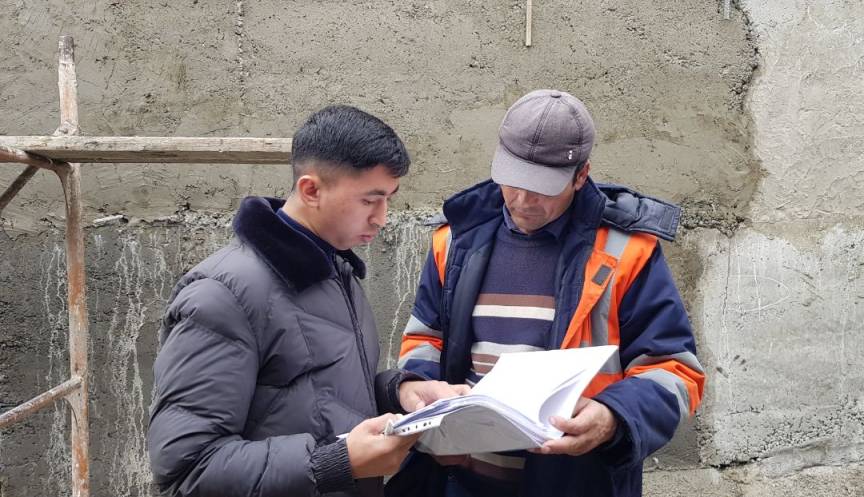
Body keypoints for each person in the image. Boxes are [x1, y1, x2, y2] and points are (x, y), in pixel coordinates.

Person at [391, 90, 706, 497]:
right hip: (457, 483)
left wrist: (612, 417)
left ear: (581, 176)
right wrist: (422, 394)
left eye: (542, 188)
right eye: (514, 181)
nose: (523, 200)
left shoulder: (626, 252)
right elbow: (424, 340)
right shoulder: (454, 241)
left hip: (576, 482)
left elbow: (674, 370)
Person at [148, 105, 468, 497]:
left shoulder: (334, 269)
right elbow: (185, 469)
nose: (382, 218)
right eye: (370, 200)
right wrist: (336, 462)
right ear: (311, 190)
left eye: (388, 199)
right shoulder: (220, 295)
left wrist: (399, 393)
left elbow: (312, 395)